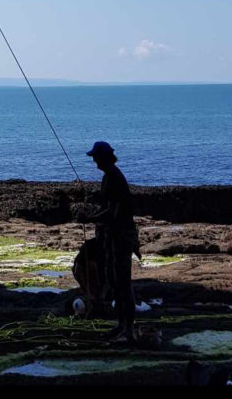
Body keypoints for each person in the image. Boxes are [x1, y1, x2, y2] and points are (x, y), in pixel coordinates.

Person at [85, 140, 140, 343]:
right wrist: (93, 216)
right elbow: (107, 209)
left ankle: (129, 329)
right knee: (114, 281)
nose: (94, 161)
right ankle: (121, 325)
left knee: (123, 283)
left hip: (121, 237)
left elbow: (112, 212)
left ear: (105, 157)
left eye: (96, 157)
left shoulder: (114, 178)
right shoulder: (109, 177)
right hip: (113, 236)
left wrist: (90, 218)